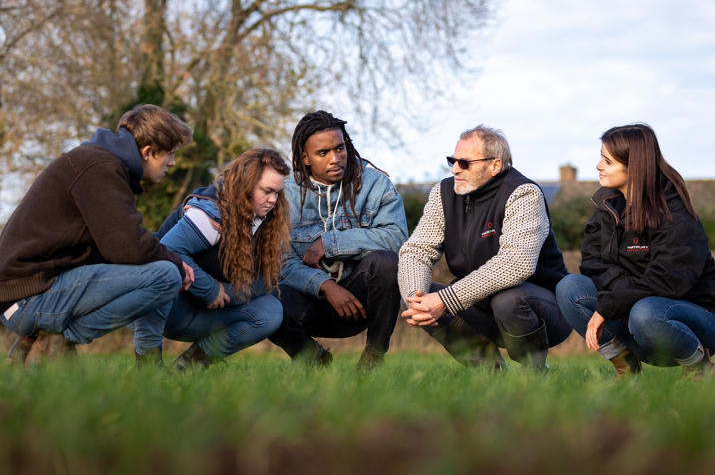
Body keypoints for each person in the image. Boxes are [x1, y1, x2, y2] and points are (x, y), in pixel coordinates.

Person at [1, 104, 194, 365]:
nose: (172, 163)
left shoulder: (97, 163)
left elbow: (116, 248)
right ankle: (57, 341)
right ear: (148, 152)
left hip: (27, 293)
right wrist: (177, 263)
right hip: (27, 297)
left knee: (156, 267)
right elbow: (128, 247)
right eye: (170, 154)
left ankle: (36, 342)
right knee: (165, 276)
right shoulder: (99, 167)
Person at [399, 125, 571, 370]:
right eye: (453, 160)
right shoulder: (444, 194)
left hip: (542, 309)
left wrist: (445, 300)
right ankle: (489, 371)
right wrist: (417, 300)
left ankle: (535, 374)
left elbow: (516, 263)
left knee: (508, 299)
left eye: (464, 163)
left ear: (495, 166)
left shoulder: (524, 194)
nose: (454, 168)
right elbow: (417, 250)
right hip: (479, 305)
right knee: (414, 296)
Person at [556, 124, 715, 377]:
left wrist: (615, 302)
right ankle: (626, 369)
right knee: (570, 288)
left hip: (690, 319)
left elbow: (669, 279)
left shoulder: (674, 210)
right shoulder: (608, 207)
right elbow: (593, 264)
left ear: (634, 167)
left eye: (607, 161)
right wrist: (620, 298)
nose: (598, 166)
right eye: (601, 157)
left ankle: (699, 367)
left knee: (645, 312)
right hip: (635, 318)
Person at [269, 111, 408, 370]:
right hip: (308, 304)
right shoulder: (285, 195)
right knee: (263, 295)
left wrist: (332, 242)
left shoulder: (375, 184)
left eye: (340, 148)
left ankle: (373, 359)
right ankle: (313, 358)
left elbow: (398, 238)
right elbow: (279, 261)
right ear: (304, 157)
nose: (336, 159)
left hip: (360, 304)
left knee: (387, 262)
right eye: (323, 153)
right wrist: (325, 286)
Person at [133, 149, 289, 368]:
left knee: (270, 311)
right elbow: (167, 251)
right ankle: (148, 367)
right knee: (159, 270)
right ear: (245, 186)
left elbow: (265, 281)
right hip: (165, 308)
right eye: (267, 191)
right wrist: (209, 289)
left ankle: (187, 368)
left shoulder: (271, 223)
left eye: (278, 193)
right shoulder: (211, 211)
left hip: (208, 312)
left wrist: (226, 293)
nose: (273, 200)